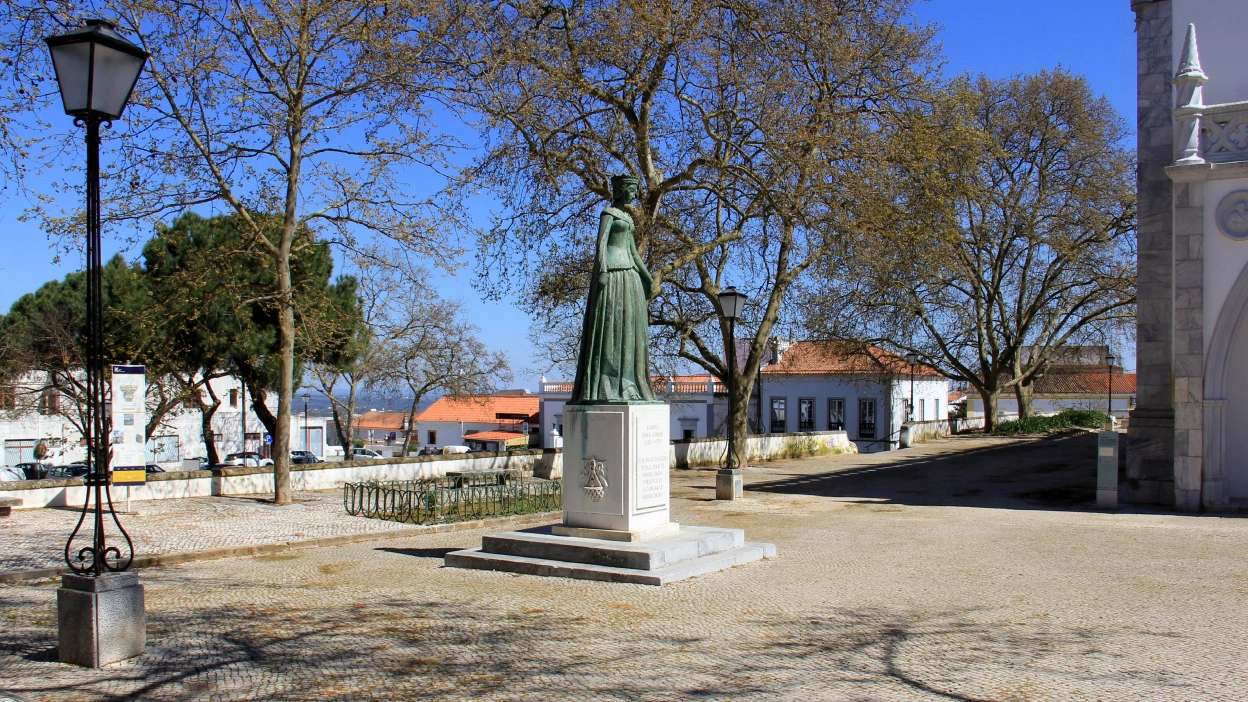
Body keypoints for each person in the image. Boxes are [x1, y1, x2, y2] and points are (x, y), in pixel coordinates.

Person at [570, 174, 657, 403]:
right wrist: (603, 272)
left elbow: (634, 252)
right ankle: (606, 385)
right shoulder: (608, 214)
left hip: (630, 276)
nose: (635, 194)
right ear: (620, 190)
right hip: (613, 274)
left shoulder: (629, 218)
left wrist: (648, 277)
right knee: (611, 328)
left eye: (636, 190)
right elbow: (600, 244)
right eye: (631, 189)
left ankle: (629, 383)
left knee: (629, 329)